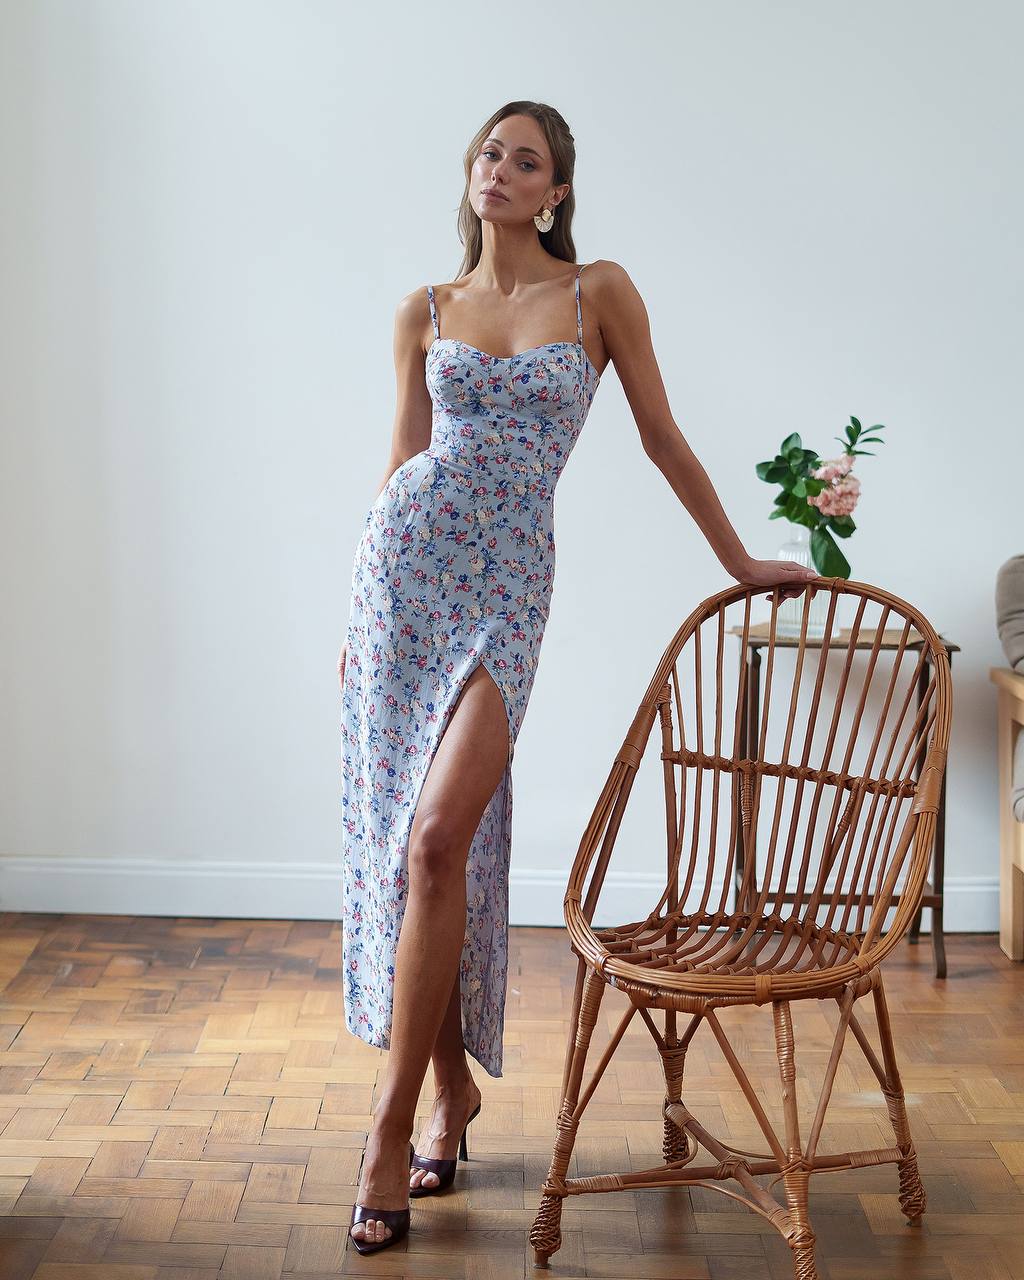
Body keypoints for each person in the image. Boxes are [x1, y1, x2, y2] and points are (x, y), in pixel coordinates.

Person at [338, 99, 818, 1254]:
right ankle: (444, 1094)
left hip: (508, 589)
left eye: (527, 159)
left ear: (556, 190)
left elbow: (662, 437)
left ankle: (389, 1122)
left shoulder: (598, 291)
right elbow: (402, 459)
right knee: (413, 856)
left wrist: (741, 558)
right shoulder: (425, 307)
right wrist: (353, 612)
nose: (499, 169)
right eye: (489, 152)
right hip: (403, 582)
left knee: (442, 839)